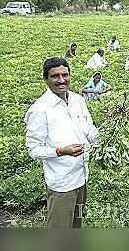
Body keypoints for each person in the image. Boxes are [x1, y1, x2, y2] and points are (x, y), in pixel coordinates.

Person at [24, 57, 98, 228]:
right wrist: (60, 151)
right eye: (55, 76)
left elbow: (89, 129)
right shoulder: (40, 109)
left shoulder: (78, 100)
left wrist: (108, 133)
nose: (61, 80)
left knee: (75, 225)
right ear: (46, 79)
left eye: (65, 74)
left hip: (82, 175)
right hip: (62, 182)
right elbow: (33, 149)